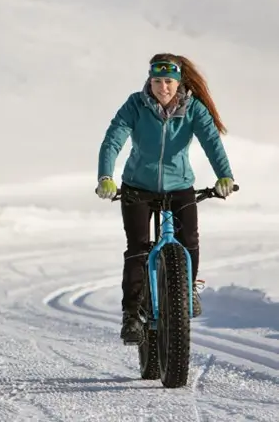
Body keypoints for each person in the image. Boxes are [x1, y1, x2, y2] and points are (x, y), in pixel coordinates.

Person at [95, 53, 236, 345]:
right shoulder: (135, 104)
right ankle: (132, 314)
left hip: (179, 185)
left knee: (190, 240)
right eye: (157, 81)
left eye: (169, 81)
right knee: (137, 249)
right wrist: (105, 177)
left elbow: (212, 142)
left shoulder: (193, 108)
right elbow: (113, 140)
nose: (163, 87)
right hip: (137, 186)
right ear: (150, 80)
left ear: (179, 82)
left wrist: (225, 176)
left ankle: (188, 289)